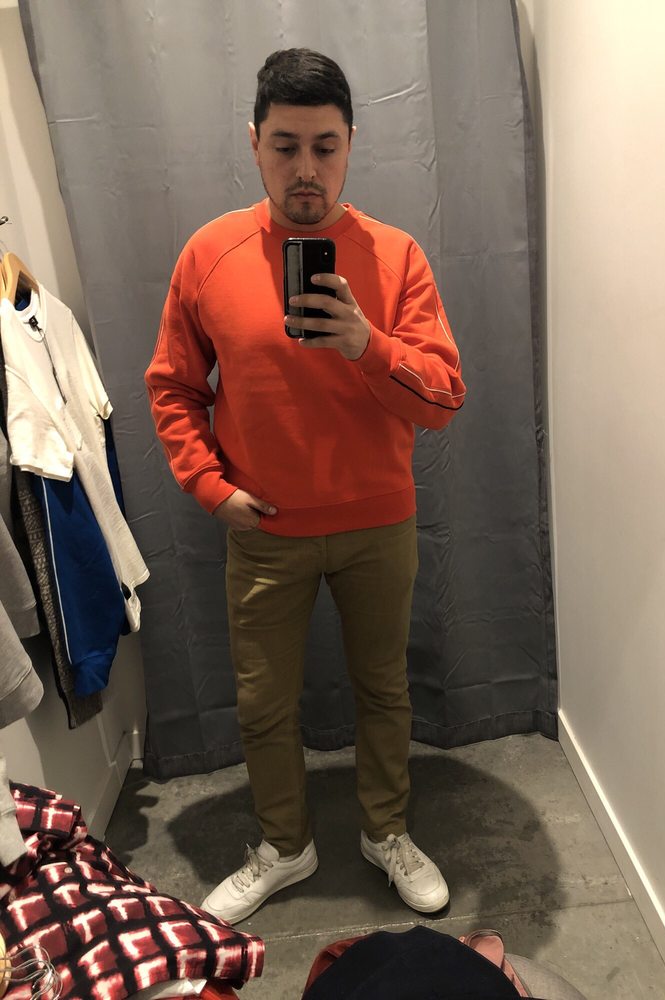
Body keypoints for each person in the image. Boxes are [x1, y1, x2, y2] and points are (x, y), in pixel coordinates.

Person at [145, 48, 465, 924]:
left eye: (325, 146)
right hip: (263, 527)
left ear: (351, 143)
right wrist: (210, 487)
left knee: (385, 690)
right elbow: (172, 386)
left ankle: (386, 832)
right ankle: (285, 846)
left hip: (377, 524)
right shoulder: (210, 254)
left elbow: (444, 398)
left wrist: (367, 344)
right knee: (262, 704)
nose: (306, 170)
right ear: (253, 143)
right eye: (285, 146)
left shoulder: (394, 257)